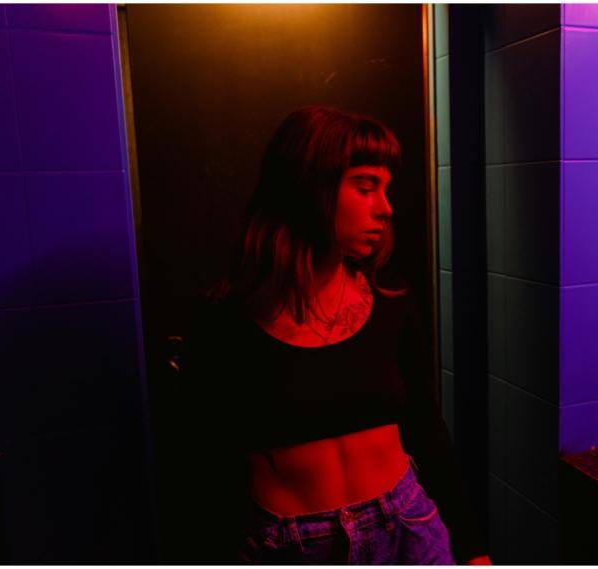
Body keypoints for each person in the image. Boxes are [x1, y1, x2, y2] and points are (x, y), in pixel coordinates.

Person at [178, 106, 491, 565]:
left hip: (407, 527)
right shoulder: (227, 322)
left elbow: (424, 424)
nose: (385, 208)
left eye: (385, 189)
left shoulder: (391, 300)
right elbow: (205, 467)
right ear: (310, 188)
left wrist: (471, 546)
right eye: (366, 187)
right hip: (293, 546)